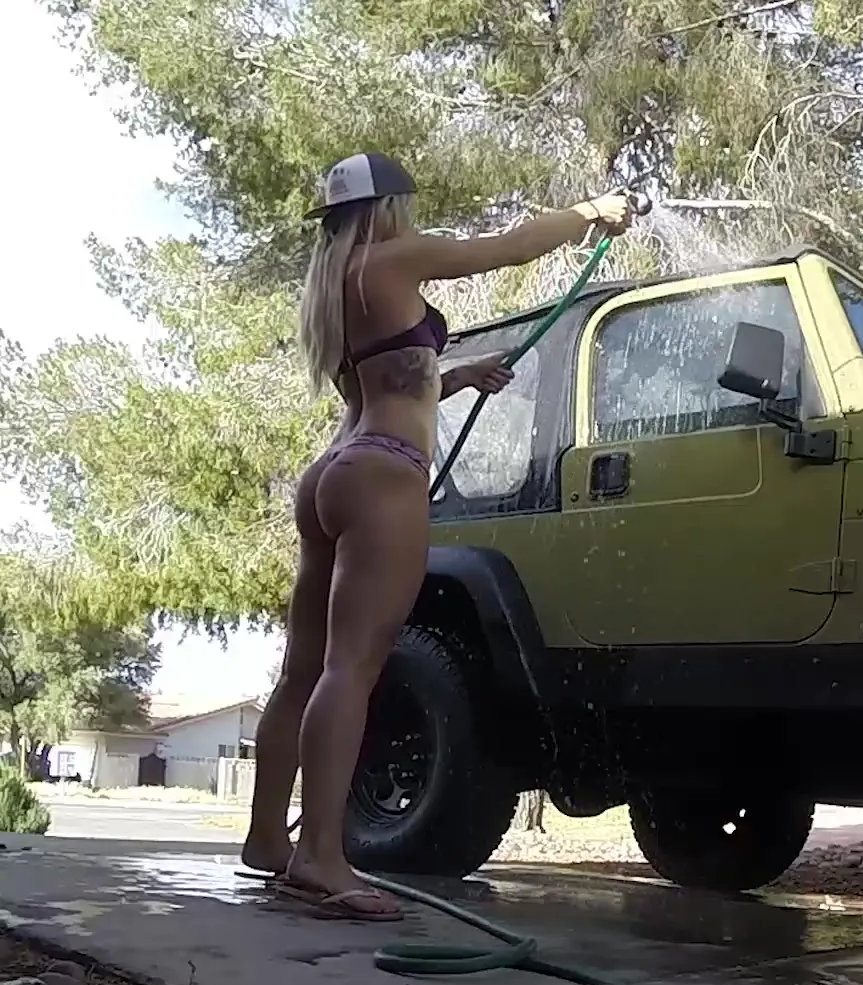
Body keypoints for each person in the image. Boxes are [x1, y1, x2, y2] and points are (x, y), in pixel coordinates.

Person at [240, 152, 631, 919]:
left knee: (304, 673)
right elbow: (509, 247)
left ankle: (267, 838)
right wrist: (590, 213)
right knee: (352, 668)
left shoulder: (338, 281)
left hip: (335, 472)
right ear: (389, 208)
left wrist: (455, 375)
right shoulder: (394, 257)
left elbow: (387, 383)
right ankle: (321, 856)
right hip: (386, 474)